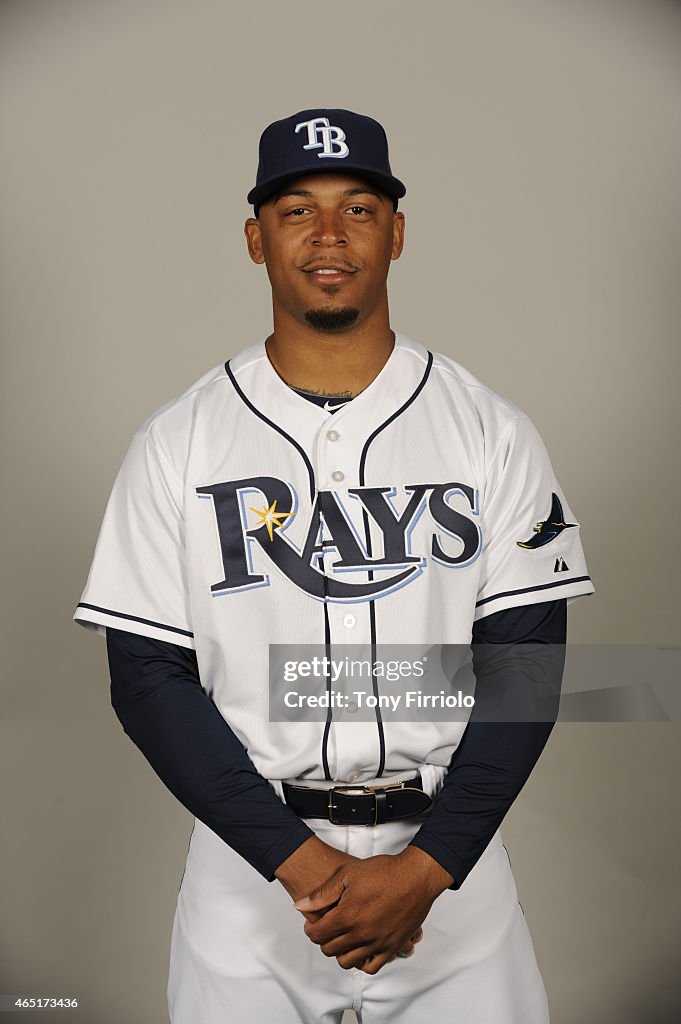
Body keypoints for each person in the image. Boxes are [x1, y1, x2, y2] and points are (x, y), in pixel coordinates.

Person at [74, 108, 594, 1023]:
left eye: (357, 209)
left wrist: (426, 872)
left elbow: (525, 666)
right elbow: (148, 678)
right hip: (250, 877)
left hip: (451, 872)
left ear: (396, 234)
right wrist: (304, 865)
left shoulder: (490, 432)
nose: (327, 236)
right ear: (254, 238)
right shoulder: (177, 442)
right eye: (295, 210)